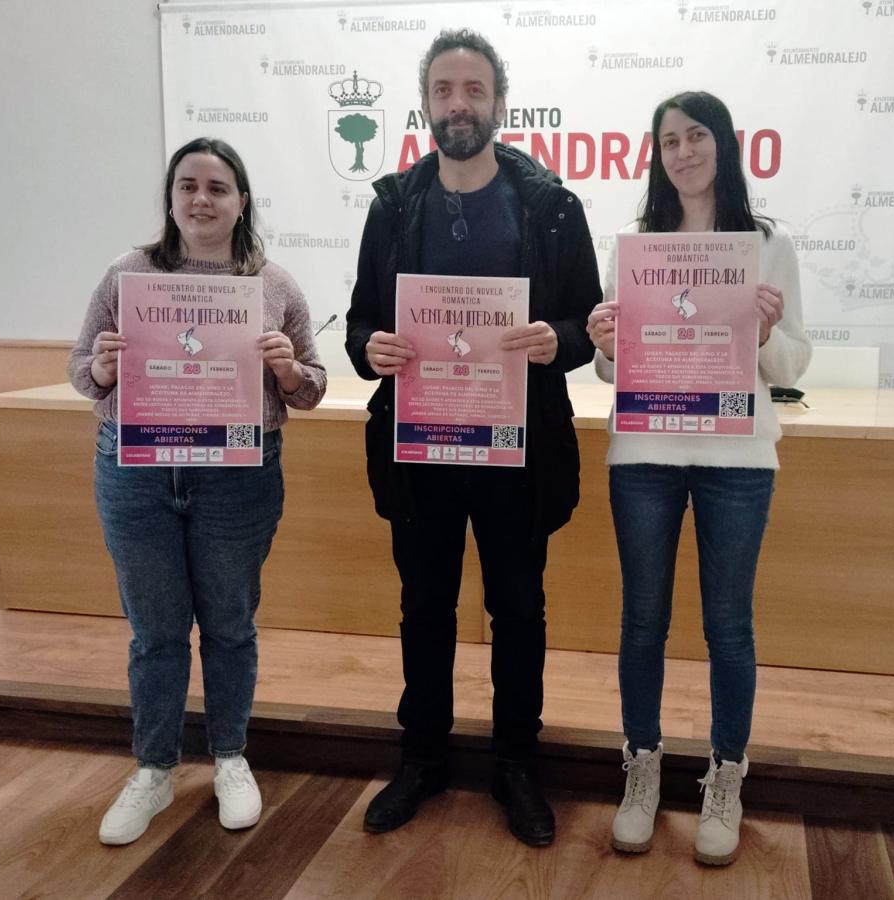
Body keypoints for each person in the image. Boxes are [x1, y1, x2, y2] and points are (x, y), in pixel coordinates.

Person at [344, 29, 601, 846]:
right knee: (423, 607)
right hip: (420, 450)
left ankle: (516, 766)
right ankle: (421, 759)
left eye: (474, 90)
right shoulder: (392, 205)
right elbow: (359, 325)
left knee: (518, 610)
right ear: (426, 103)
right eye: (444, 90)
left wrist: (556, 339)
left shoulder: (551, 206)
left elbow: (586, 325)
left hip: (517, 453)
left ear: (499, 101)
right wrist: (371, 349)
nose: (459, 105)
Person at [68, 137, 326, 845]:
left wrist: (288, 372)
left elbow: (311, 386)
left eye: (217, 187)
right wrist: (103, 369)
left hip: (236, 477)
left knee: (229, 624)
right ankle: (154, 768)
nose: (201, 199)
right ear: (171, 197)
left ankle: (229, 756)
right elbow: (81, 369)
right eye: (187, 185)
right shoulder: (128, 273)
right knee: (155, 631)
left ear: (242, 202)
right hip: (136, 470)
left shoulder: (273, 284)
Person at [586, 91, 811, 865]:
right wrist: (605, 343)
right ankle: (641, 768)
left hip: (736, 459)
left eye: (695, 136)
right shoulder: (637, 246)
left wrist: (767, 330)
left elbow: (790, 366)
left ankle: (725, 778)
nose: (682, 152)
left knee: (728, 627)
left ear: (722, 144)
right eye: (668, 141)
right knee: (642, 621)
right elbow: (615, 371)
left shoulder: (767, 243)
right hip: (644, 455)